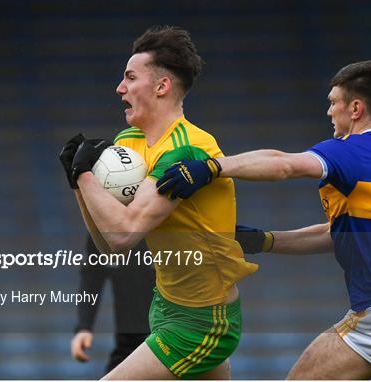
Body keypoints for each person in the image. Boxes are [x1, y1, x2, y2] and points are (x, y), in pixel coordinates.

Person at [155, 59, 371, 379]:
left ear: (356, 109)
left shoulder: (353, 149)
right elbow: (339, 234)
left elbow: (284, 164)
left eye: (334, 103)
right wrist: (266, 240)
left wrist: (213, 167)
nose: (330, 111)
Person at [58, 25, 258, 380]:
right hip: (165, 307)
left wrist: (86, 176)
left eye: (130, 78)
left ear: (162, 87)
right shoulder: (129, 141)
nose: (120, 88)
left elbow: (124, 235)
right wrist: (78, 182)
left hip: (202, 322)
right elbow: (111, 248)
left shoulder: (187, 149)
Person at [70, 235, 154, 375]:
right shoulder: (103, 228)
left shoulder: (167, 224)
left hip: (170, 340)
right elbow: (92, 276)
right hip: (128, 342)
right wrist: (84, 327)